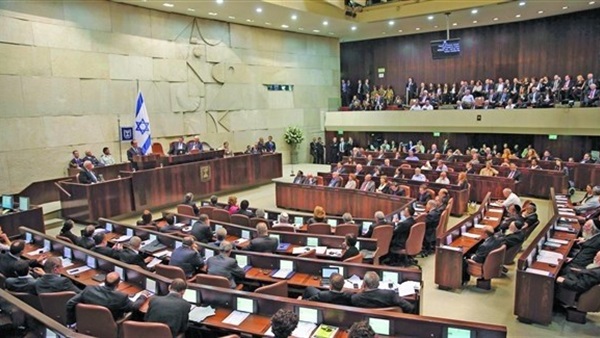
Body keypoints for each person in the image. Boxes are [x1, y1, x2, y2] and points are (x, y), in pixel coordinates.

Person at [66, 272, 148, 325]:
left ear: (104, 281)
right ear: (117, 285)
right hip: (109, 325)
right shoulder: (120, 297)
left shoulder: (89, 289)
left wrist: (72, 323)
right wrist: (143, 296)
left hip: (88, 322)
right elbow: (134, 307)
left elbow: (70, 303)